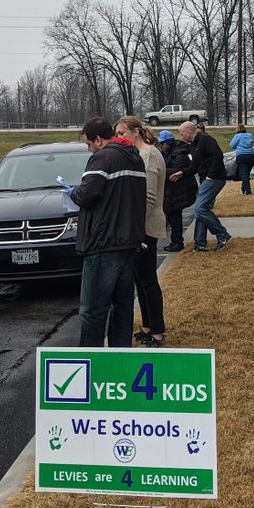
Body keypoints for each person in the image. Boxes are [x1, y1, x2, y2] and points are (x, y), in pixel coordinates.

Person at [70, 117, 147, 346]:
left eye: (89, 144)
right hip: (128, 242)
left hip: (103, 244)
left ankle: (90, 362)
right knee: (122, 307)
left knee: (93, 310)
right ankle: (119, 359)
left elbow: (87, 194)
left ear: (99, 140)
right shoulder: (134, 158)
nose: (88, 149)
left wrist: (72, 192)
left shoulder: (102, 158)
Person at [116, 115, 167, 347]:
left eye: (122, 134)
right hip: (139, 226)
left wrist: (136, 229)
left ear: (135, 132)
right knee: (140, 280)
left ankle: (157, 331)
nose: (119, 138)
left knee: (148, 280)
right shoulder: (138, 155)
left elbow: (147, 197)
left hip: (146, 225)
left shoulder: (149, 155)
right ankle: (147, 327)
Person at [174, 120, 232, 252]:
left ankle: (222, 234)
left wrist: (210, 175)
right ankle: (200, 243)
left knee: (200, 209)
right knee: (202, 209)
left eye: (182, 133)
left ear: (189, 132)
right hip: (205, 180)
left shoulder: (206, 140)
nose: (181, 136)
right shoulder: (193, 145)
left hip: (214, 179)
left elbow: (218, 156)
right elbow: (194, 165)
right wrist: (182, 172)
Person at [158, 129, 197, 252]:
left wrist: (160, 171)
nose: (160, 145)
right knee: (173, 216)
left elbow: (177, 170)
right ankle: (176, 241)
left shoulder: (180, 153)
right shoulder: (169, 152)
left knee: (174, 217)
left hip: (177, 192)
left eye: (161, 143)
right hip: (173, 192)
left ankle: (177, 242)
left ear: (167, 143)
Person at [230, 123, 254, 194]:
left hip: (241, 156)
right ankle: (243, 189)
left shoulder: (237, 136)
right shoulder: (250, 135)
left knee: (244, 174)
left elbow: (232, 145)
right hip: (251, 156)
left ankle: (248, 191)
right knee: (246, 174)